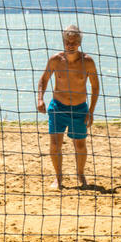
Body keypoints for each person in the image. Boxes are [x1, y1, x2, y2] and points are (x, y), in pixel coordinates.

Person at [37, 24, 101, 190]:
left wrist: (91, 111)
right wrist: (40, 99)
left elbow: (95, 86)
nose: (70, 44)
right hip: (58, 107)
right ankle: (58, 177)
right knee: (55, 145)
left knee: (79, 145)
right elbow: (43, 80)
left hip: (80, 109)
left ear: (79, 43)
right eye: (67, 41)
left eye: (74, 41)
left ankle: (80, 173)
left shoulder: (87, 62)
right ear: (63, 42)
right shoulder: (55, 60)